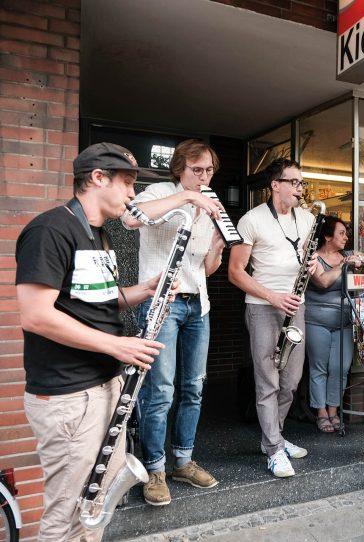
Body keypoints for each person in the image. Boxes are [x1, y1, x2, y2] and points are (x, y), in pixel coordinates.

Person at [15, 143, 170, 541]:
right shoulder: (51, 229)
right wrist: (117, 346)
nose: (133, 195)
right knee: (66, 517)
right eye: (128, 183)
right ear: (98, 178)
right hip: (69, 395)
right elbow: (36, 315)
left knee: (95, 508)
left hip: (104, 386)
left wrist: (146, 290)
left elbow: (100, 298)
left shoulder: (99, 234)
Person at [120, 139, 226, 506]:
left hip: (198, 303)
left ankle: (183, 459)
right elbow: (131, 217)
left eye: (209, 170)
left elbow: (206, 269)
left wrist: (216, 249)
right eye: (197, 169)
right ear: (180, 167)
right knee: (160, 391)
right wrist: (188, 198)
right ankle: (155, 468)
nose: (204, 176)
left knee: (194, 387)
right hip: (161, 302)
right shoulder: (161, 192)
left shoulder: (211, 202)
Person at [228, 158, 314, 478]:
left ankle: (273, 437)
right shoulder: (252, 220)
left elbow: (309, 265)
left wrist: (314, 267)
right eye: (294, 182)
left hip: (296, 306)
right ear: (275, 185)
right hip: (263, 307)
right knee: (268, 382)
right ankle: (274, 449)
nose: (299, 189)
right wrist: (272, 296)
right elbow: (235, 273)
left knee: (290, 381)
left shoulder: (306, 219)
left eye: (301, 183)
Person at [305, 216, 364, 433]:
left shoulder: (347, 254)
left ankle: (334, 410)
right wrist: (344, 265)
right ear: (328, 236)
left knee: (340, 367)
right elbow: (323, 281)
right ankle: (321, 412)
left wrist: (360, 258)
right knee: (320, 367)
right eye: (341, 233)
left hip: (344, 322)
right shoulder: (313, 257)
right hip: (316, 320)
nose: (346, 237)